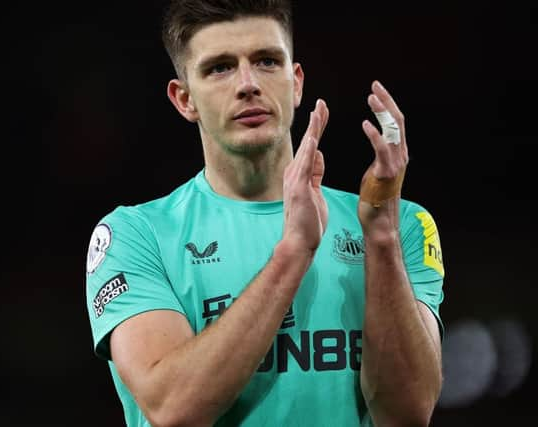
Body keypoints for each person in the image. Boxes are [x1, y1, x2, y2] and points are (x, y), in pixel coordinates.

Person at [85, 1, 446, 426]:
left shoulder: (399, 224)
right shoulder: (135, 235)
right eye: (219, 67)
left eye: (267, 61)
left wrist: (382, 239)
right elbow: (173, 409)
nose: (248, 84)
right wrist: (293, 252)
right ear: (184, 99)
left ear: (296, 83)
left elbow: (408, 414)